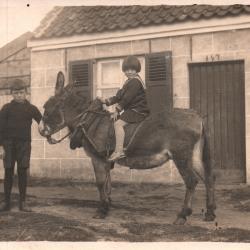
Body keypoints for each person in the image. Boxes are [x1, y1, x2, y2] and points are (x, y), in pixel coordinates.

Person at [0, 79, 42, 212]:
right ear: (12, 94)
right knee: (8, 171)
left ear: (26, 93)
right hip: (8, 144)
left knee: (22, 172)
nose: (19, 95)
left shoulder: (31, 109)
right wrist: (0, 147)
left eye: (21, 92)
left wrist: (46, 131)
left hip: (24, 144)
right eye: (16, 93)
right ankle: (6, 202)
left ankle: (22, 203)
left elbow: (42, 122)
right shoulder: (6, 109)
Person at [99, 55, 150, 162]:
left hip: (138, 111)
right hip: (131, 110)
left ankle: (119, 151)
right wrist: (106, 101)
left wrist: (117, 110)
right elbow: (119, 96)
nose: (129, 72)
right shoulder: (128, 82)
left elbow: (127, 98)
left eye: (132, 69)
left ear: (137, 70)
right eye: (127, 70)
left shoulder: (135, 82)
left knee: (118, 124)